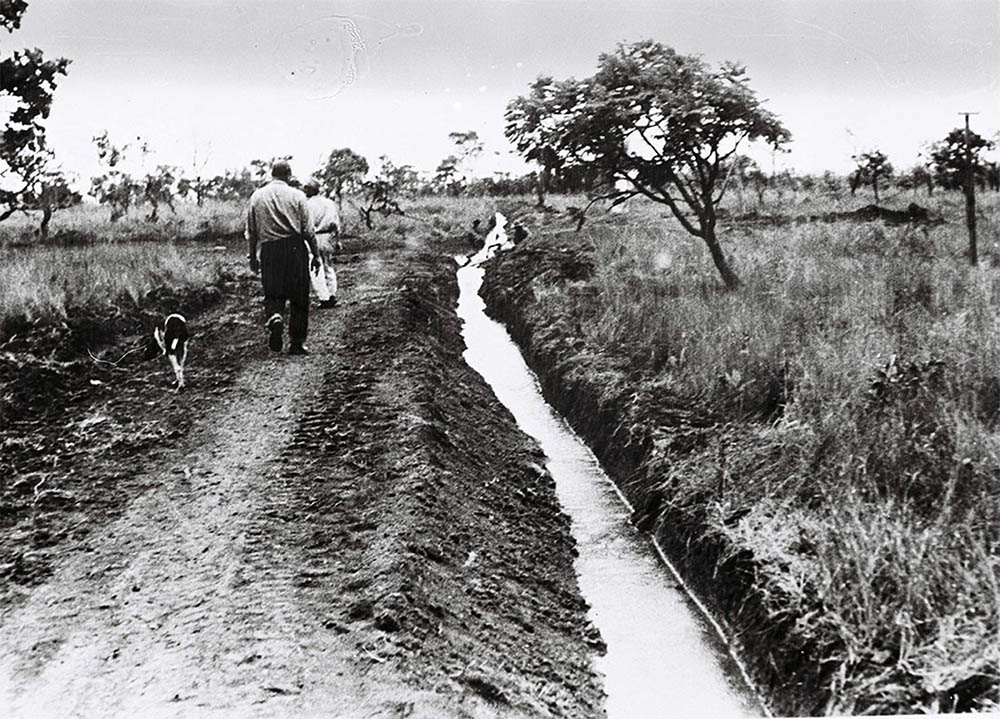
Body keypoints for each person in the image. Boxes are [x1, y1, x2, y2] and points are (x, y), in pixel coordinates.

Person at [246, 161, 321, 355]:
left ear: (272, 174)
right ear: (288, 174)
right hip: (295, 248)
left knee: (273, 291)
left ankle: (276, 316)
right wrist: (316, 255)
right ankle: (297, 342)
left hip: (269, 250)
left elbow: (252, 231)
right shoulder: (298, 196)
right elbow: (308, 230)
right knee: (299, 296)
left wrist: (253, 256)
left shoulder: (257, 197)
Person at [302, 182, 341, 309]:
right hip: (328, 236)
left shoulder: (307, 205)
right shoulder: (330, 203)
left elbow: (305, 226)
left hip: (315, 237)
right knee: (328, 265)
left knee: (315, 267)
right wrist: (337, 240)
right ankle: (332, 294)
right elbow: (336, 224)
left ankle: (324, 298)